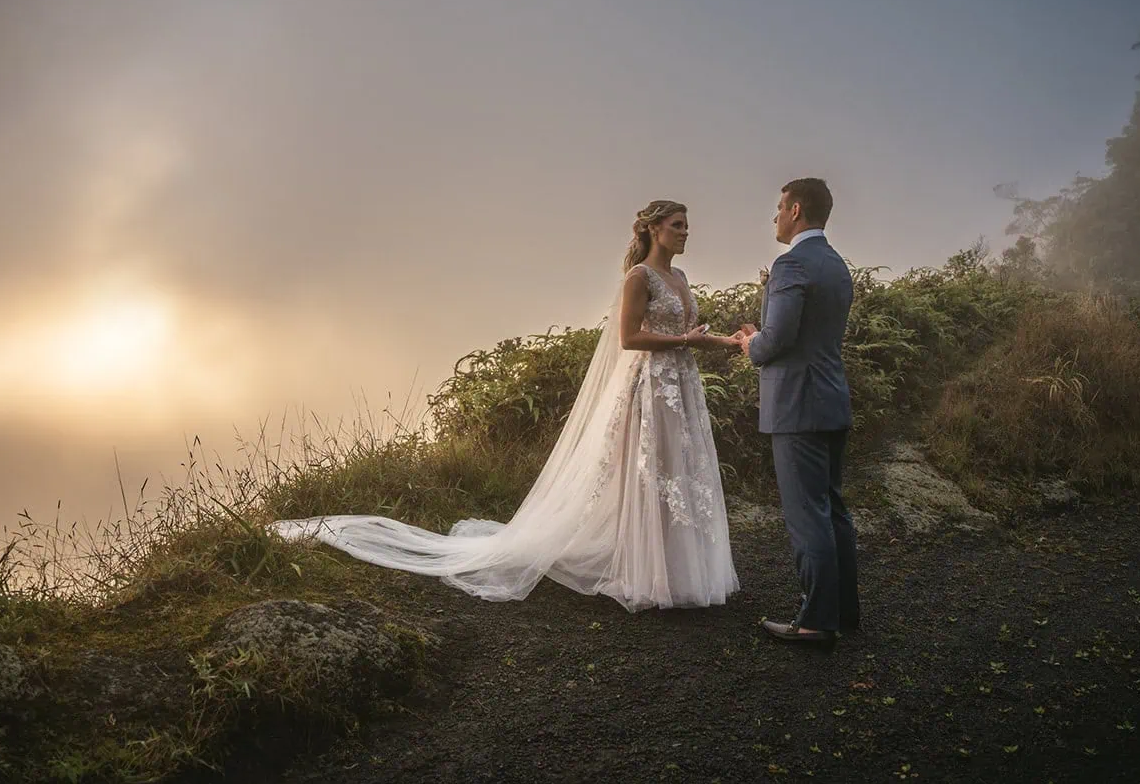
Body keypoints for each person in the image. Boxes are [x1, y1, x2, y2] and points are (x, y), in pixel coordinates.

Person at [270, 200, 743, 612]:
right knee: (647, 472)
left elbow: (689, 338)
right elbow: (629, 337)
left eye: (686, 225)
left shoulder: (679, 277)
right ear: (653, 229)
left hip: (680, 385)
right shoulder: (638, 277)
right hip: (647, 387)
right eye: (678, 225)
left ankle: (679, 573)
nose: (685, 233)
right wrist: (684, 339)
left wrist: (727, 342)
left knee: (679, 470)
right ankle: (648, 574)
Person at [738, 178, 859, 649]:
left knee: (808, 515)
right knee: (834, 511)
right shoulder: (835, 264)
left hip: (797, 406)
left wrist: (751, 342)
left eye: (778, 208)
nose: (774, 217)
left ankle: (814, 621)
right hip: (831, 397)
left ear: (795, 209)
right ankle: (842, 612)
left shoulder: (791, 265)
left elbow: (778, 340)